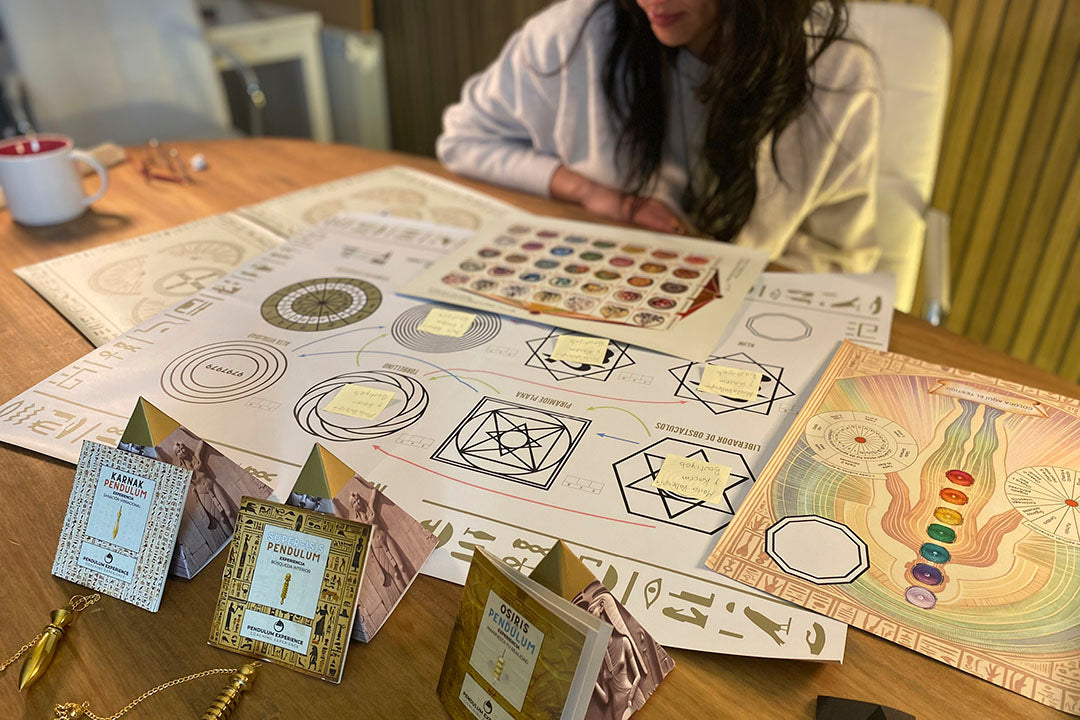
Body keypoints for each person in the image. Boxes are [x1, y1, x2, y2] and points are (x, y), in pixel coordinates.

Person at [437, 0, 881, 272]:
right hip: (612, 280)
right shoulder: (574, 32)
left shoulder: (835, 72)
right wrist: (592, 193)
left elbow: (840, 254)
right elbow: (464, 140)